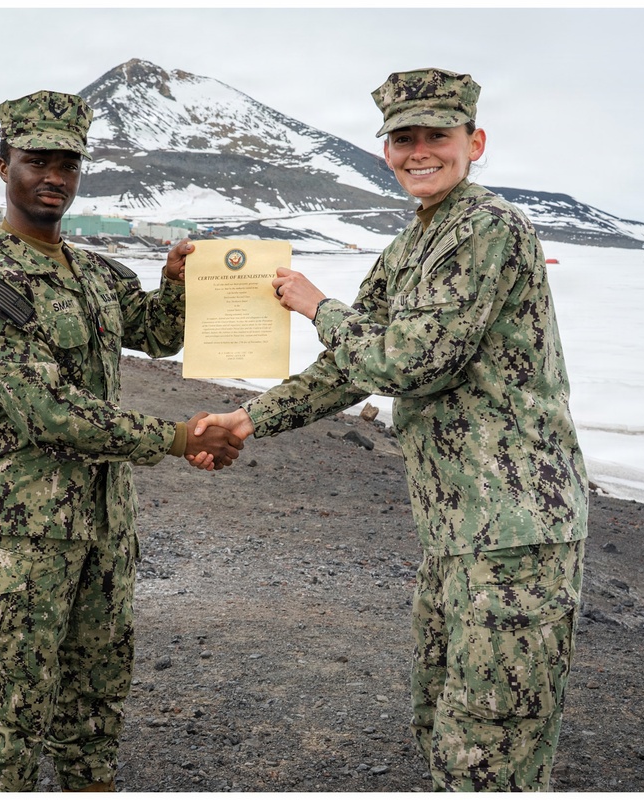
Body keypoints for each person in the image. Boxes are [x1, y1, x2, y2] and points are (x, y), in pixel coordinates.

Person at [192, 68, 588, 791]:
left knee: (490, 743)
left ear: (475, 143)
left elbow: (412, 362)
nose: (419, 151)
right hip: (455, 531)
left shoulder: (487, 226)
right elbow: (354, 367)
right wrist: (249, 418)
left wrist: (318, 307)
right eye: (404, 139)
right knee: (441, 719)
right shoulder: (411, 245)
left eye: (437, 135)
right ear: (386, 152)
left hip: (514, 529)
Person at [0, 90, 243, 792]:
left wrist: (176, 284)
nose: (54, 176)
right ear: (3, 166)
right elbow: (51, 413)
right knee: (14, 705)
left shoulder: (92, 271)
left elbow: (157, 333)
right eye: (37, 161)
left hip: (105, 526)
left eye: (68, 164)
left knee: (96, 699)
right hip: (25, 533)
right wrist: (177, 437)